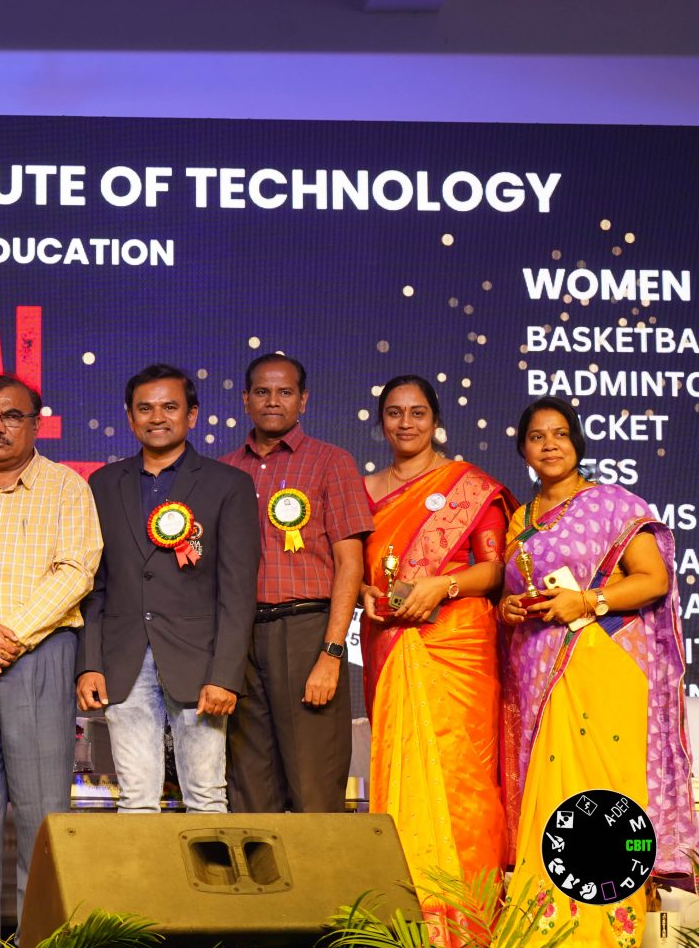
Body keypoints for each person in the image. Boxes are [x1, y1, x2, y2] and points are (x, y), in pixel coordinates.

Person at [498, 397, 697, 947]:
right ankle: (546, 932)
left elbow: (652, 579)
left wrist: (587, 601)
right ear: (523, 450)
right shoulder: (519, 519)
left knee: (603, 805)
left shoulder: (613, 503)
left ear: (577, 442)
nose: (550, 445)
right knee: (551, 807)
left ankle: (606, 934)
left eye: (560, 434)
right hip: (539, 680)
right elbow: (521, 593)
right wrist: (508, 607)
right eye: (537, 436)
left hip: (601, 669)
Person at [0, 374, 103, 947]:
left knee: (42, 808)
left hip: (40, 657)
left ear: (35, 424)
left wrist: (8, 639)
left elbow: (76, 570)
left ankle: (42, 935)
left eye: (11, 416)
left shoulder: (66, 487)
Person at [358, 375, 512, 938]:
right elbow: (353, 569)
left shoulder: (470, 487)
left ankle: (468, 922)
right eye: (395, 413)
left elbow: (494, 569)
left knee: (462, 778)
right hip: (391, 642)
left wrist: (441, 586)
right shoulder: (362, 491)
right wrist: (363, 592)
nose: (406, 423)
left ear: (435, 420)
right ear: (382, 422)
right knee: (403, 769)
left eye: (417, 412)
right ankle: (406, 917)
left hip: (458, 644)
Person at [77, 364, 259, 816]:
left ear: (191, 415)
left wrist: (225, 674)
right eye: (145, 408)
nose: (157, 417)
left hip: (200, 663)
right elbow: (94, 585)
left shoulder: (228, 484)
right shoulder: (103, 483)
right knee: (135, 801)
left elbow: (238, 591)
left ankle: (207, 870)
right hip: (123, 659)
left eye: (170, 407)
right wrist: (90, 663)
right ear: (130, 416)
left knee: (206, 797)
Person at [220, 353, 370, 813]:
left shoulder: (331, 461)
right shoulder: (224, 471)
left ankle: (319, 868)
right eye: (262, 392)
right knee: (248, 786)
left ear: (302, 400)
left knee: (313, 787)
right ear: (245, 400)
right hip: (241, 636)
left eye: (285, 392)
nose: (273, 401)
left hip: (306, 632)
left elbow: (350, 564)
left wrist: (331, 653)